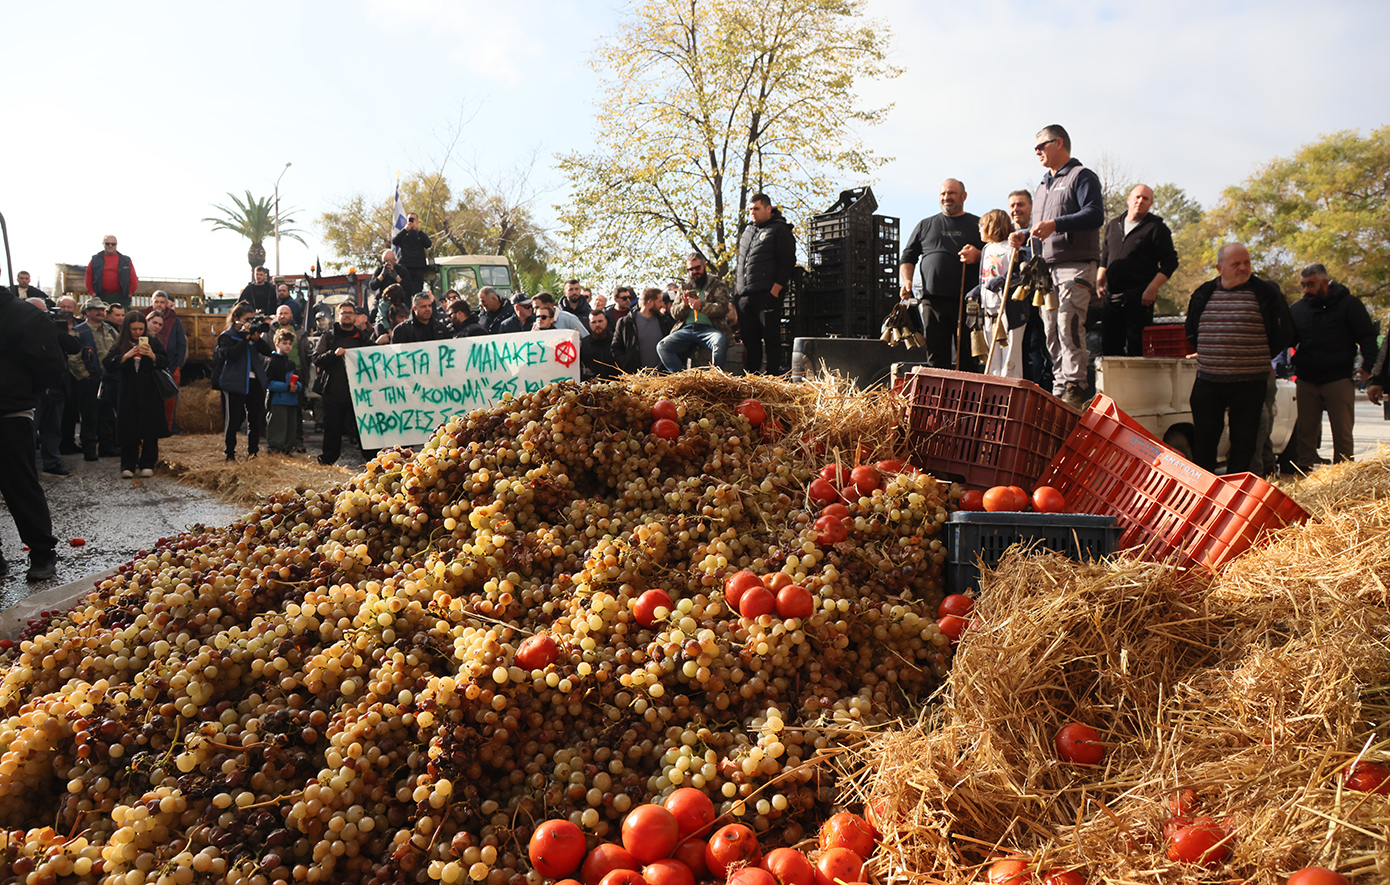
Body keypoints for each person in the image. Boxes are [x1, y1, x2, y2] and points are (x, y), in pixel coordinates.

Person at [1008, 125, 1105, 408]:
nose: (1037, 151)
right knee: (1051, 328)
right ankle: (1061, 385)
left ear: (1059, 143)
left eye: (1041, 146)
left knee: (1068, 322)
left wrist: (1056, 224)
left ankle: (1076, 385)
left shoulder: (1081, 176)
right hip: (1045, 271)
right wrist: (1023, 234)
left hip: (1074, 265)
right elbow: (1041, 226)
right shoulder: (1042, 185)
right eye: (1035, 148)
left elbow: (1095, 214)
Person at [1183, 243, 1294, 473]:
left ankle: (1237, 497)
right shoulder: (1204, 293)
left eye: (1247, 263)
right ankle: (1205, 497)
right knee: (1204, 445)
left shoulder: (1266, 294)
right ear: (1219, 267)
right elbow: (1192, 331)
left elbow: (1284, 333)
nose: (1243, 268)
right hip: (1209, 381)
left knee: (1245, 446)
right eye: (1236, 264)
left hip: (1250, 383)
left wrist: (1258, 355)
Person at [0, 277, 66, 580]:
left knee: (20, 485)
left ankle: (41, 551)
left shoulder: (23, 315)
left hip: (10, 412)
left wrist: (22, 392)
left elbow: (49, 366)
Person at [1288, 263, 1378, 469]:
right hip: (1307, 379)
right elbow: (1286, 339)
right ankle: (1304, 478)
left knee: (1343, 435)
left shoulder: (1349, 305)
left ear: (1325, 283)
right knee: (1305, 434)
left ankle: (1344, 478)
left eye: (1310, 285)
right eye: (1303, 285)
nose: (1306, 290)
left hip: (1338, 379)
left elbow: (1368, 337)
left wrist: (1368, 367)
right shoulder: (1298, 309)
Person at [899, 180, 985, 371]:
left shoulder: (978, 224)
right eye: (943, 194)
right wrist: (907, 281)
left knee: (968, 358)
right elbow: (908, 256)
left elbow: (995, 253)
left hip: (967, 302)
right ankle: (940, 399)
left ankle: (967, 400)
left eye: (952, 193)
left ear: (964, 196)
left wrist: (979, 255)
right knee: (936, 358)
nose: (947, 198)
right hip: (932, 301)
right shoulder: (925, 225)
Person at [1098, 185, 1180, 357]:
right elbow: (1104, 258)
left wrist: (1152, 289)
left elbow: (1170, 263)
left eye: (1145, 199)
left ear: (1151, 204)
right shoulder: (1113, 225)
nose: (1140, 201)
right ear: (1129, 199)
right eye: (1137, 197)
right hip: (1111, 298)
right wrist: (1099, 283)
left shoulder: (1156, 228)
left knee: (1138, 350)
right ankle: (1114, 385)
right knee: (1110, 351)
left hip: (1139, 299)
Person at [735, 193, 795, 374]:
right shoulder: (748, 231)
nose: (752, 213)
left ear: (768, 209)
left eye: (756, 209)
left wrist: (774, 292)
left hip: (766, 295)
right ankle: (751, 379)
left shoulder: (780, 230)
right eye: (751, 209)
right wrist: (738, 292)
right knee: (750, 341)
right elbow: (740, 262)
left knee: (771, 340)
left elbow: (787, 262)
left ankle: (772, 379)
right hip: (745, 297)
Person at [103, 311, 168, 478]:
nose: (138, 332)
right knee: (128, 427)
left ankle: (148, 463)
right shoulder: (120, 344)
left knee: (150, 428)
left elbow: (165, 360)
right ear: (127, 329)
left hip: (150, 390)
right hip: (128, 390)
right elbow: (108, 364)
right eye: (134, 329)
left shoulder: (153, 341)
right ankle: (128, 465)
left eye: (141, 329)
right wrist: (126, 356)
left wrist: (152, 355)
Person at [211, 302, 273, 461]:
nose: (250, 322)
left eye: (252, 319)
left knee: (255, 419)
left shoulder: (252, 335)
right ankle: (230, 454)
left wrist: (257, 339)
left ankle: (253, 453)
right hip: (234, 382)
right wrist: (244, 338)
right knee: (233, 420)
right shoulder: (227, 336)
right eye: (247, 319)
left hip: (255, 382)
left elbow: (268, 352)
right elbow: (231, 354)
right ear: (236, 318)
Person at [315, 301, 374, 466]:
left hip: (359, 395)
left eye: (350, 312)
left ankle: (372, 463)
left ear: (355, 316)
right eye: (344, 313)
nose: (347, 315)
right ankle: (327, 463)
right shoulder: (328, 337)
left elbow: (375, 356)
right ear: (338, 316)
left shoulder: (363, 337)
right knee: (332, 431)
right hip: (334, 393)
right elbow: (316, 358)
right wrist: (333, 355)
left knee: (364, 431)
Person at [973, 209, 1028, 378]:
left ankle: (1011, 384)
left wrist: (1002, 280)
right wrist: (976, 291)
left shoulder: (1011, 247)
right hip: (989, 308)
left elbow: (1020, 274)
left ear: (993, 225)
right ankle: (993, 385)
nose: (979, 229)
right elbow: (985, 277)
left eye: (982, 225)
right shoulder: (987, 249)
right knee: (992, 352)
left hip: (1009, 309)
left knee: (1010, 352)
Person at [658, 254, 735, 372]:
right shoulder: (684, 286)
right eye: (690, 269)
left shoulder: (716, 284)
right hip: (687, 329)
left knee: (720, 342)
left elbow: (723, 308)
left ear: (704, 266)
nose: (694, 272)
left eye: (697, 268)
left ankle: (715, 376)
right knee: (662, 346)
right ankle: (683, 379)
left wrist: (701, 306)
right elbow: (674, 313)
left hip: (709, 329)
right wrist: (685, 305)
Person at [36, 306, 81, 476]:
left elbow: (74, 346)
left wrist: (60, 332)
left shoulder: (56, 332)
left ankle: (52, 462)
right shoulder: (24, 329)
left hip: (57, 387)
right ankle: (23, 467)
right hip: (33, 389)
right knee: (29, 430)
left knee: (53, 427)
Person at [145, 291, 187, 434]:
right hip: (149, 366)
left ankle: (170, 427)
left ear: (167, 303)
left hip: (171, 365)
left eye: (162, 302)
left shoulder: (174, 319)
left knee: (170, 399)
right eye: (156, 301)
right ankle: (152, 427)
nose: (159, 304)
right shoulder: (144, 316)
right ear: (152, 302)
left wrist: (179, 366)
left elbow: (182, 344)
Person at [612, 288, 674, 373]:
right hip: (636, 379)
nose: (662, 305)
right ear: (650, 302)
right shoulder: (626, 323)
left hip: (662, 378)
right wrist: (628, 365)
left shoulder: (665, 321)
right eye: (659, 301)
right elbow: (616, 348)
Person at [264, 328, 302, 456]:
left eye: (290, 344)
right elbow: (268, 383)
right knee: (277, 427)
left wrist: (298, 387)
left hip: (291, 400)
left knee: (291, 428)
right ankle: (274, 451)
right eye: (284, 343)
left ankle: (287, 450)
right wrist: (286, 387)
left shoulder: (290, 363)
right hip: (277, 400)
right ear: (277, 344)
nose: (287, 346)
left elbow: (297, 381)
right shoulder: (271, 361)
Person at [85, 235, 139, 306]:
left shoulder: (125, 260)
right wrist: (92, 293)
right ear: (103, 244)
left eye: (113, 244)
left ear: (116, 245)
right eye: (107, 244)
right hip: (101, 296)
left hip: (121, 297)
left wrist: (130, 293)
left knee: (121, 316)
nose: (110, 246)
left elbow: (133, 278)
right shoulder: (95, 260)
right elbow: (88, 277)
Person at [392, 213, 432, 296]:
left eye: (413, 220)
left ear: (417, 221)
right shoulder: (403, 234)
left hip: (418, 267)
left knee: (417, 292)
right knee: (404, 291)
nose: (411, 221)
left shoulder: (420, 234)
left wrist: (419, 230)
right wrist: (405, 230)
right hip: (405, 266)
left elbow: (428, 244)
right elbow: (395, 241)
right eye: (410, 219)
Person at [581, 310, 617, 380]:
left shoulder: (616, 341)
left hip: (614, 384)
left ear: (606, 321)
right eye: (594, 322)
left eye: (600, 321)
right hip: (590, 386)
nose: (597, 325)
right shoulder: (584, 344)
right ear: (589, 324)